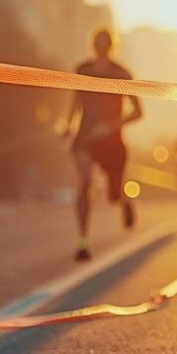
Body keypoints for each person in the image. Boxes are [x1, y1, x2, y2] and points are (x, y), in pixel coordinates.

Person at [63, 29, 142, 261]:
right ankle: (83, 241)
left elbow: (138, 112)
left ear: (111, 46)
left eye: (104, 43)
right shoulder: (83, 69)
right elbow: (75, 101)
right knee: (85, 183)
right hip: (85, 139)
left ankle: (124, 201)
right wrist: (68, 126)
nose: (100, 46)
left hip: (111, 142)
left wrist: (112, 126)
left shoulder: (122, 74)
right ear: (92, 44)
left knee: (113, 196)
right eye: (97, 42)